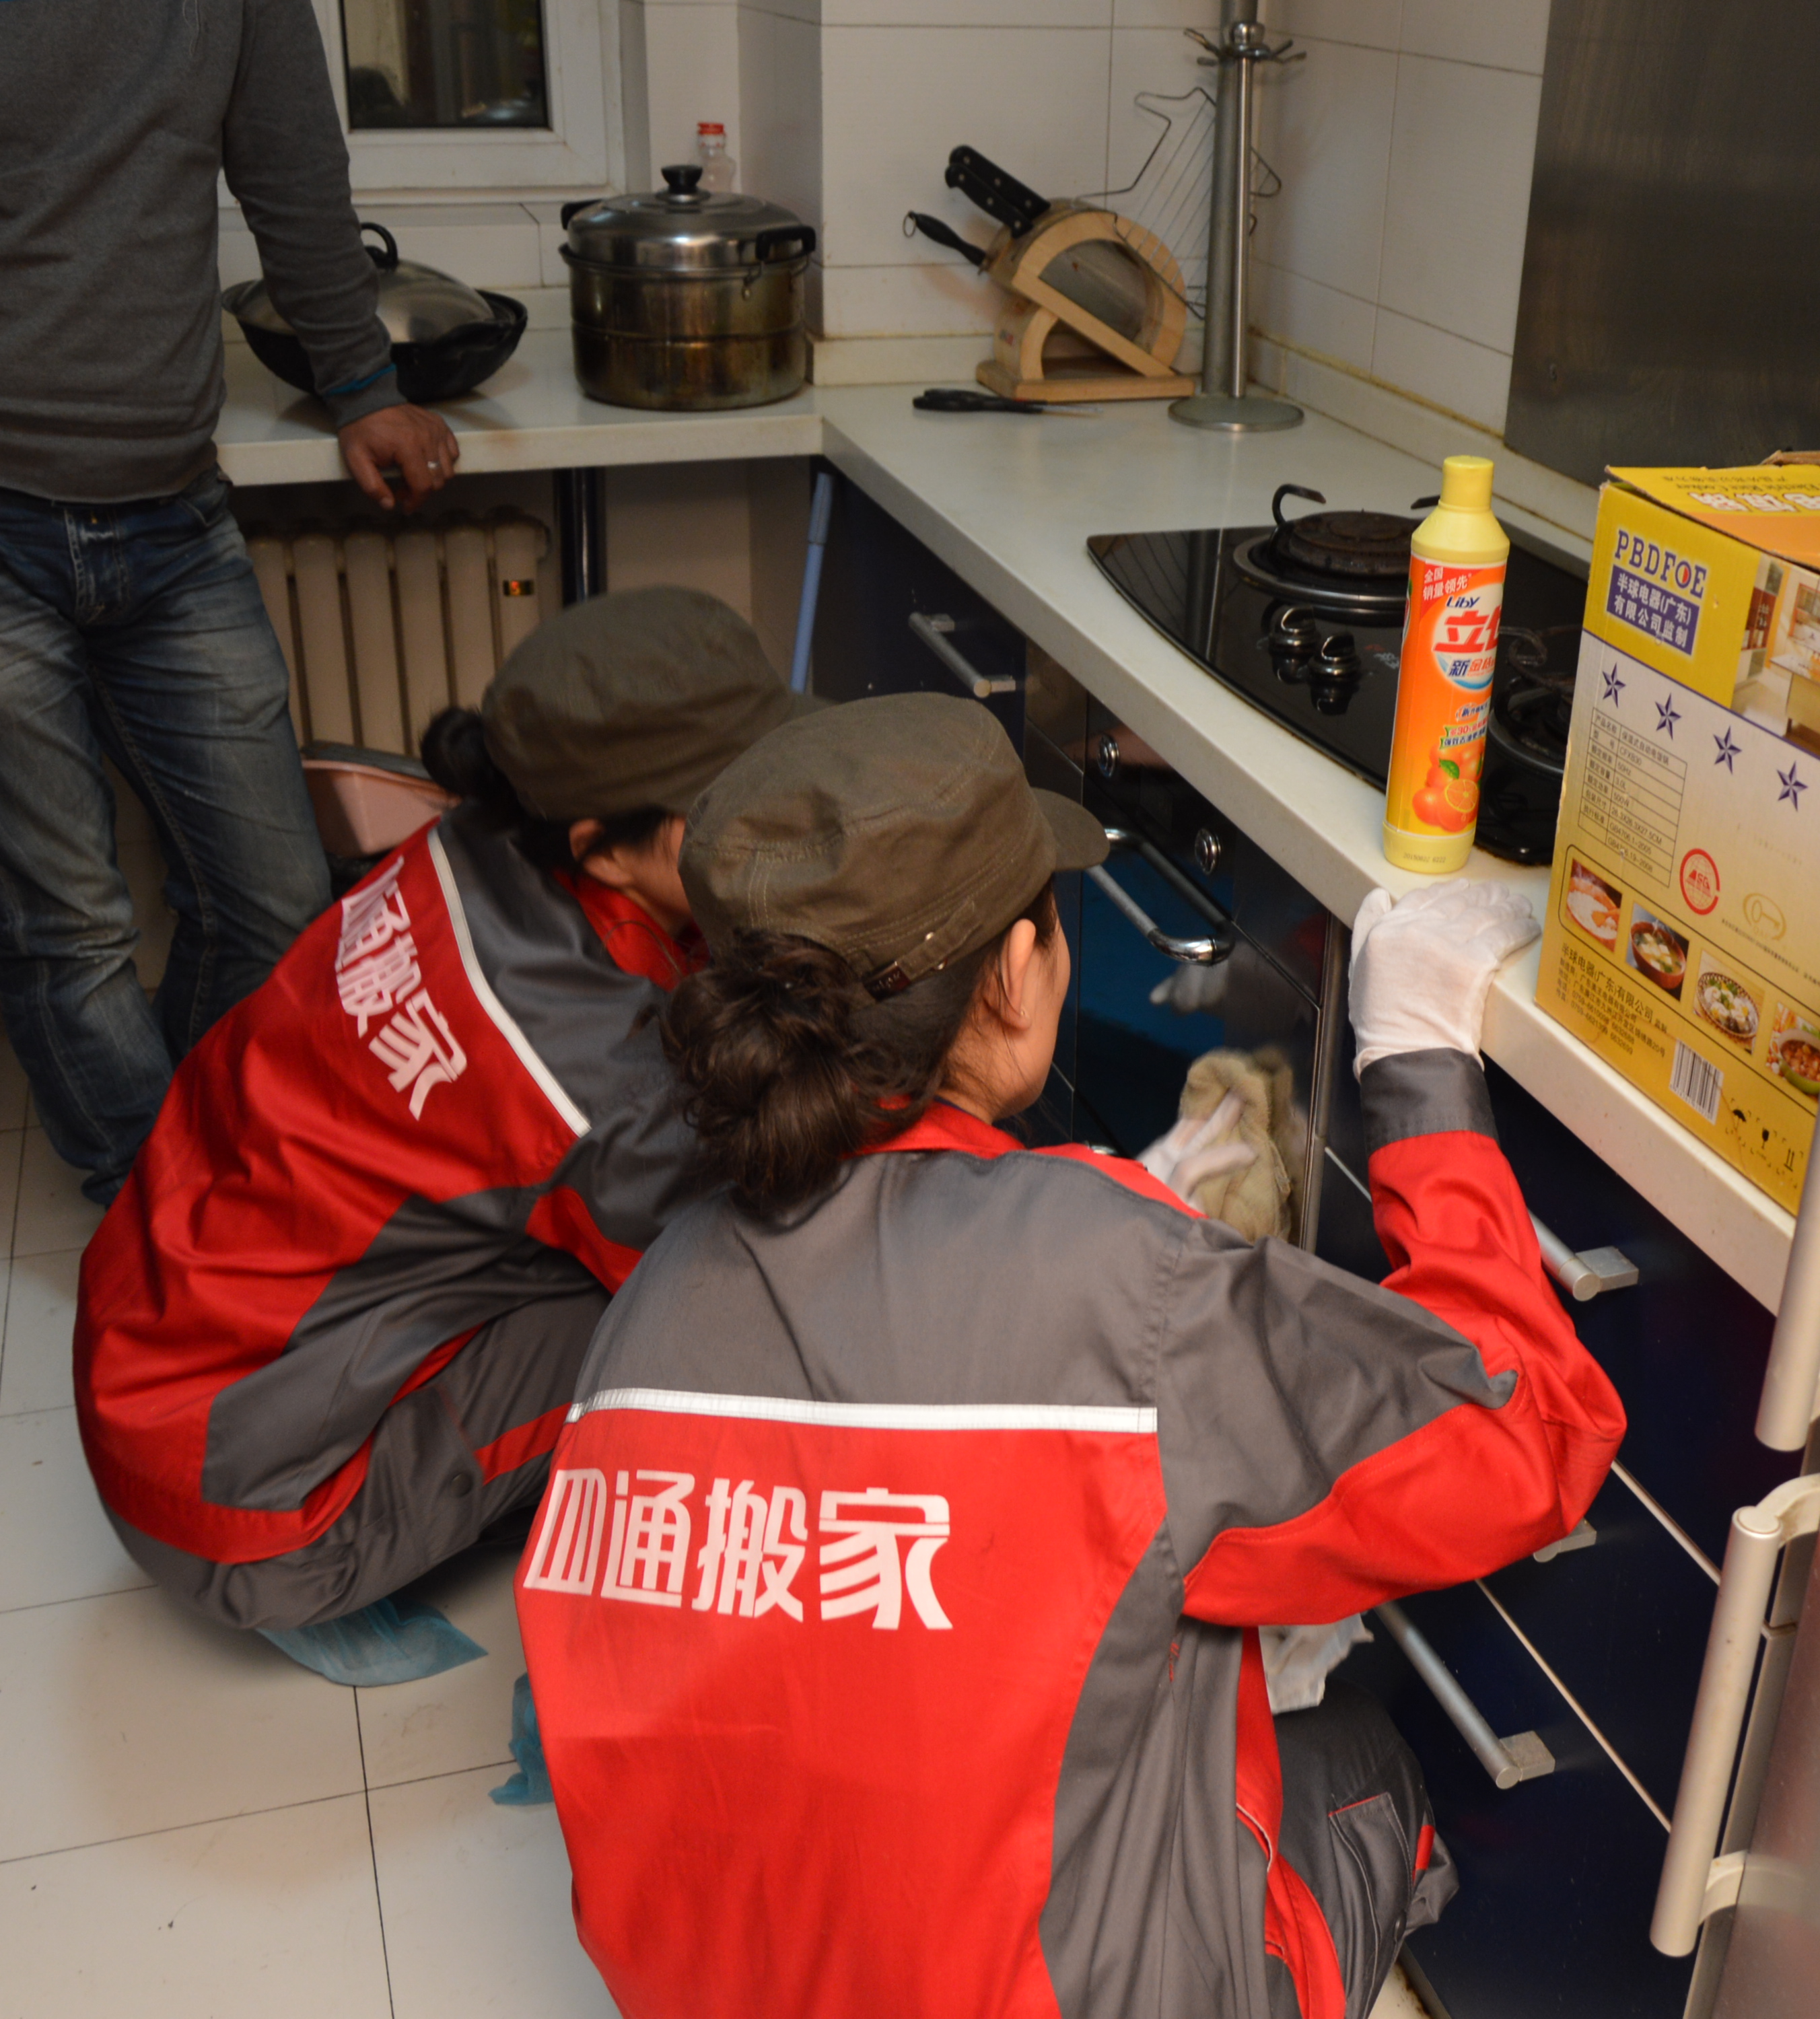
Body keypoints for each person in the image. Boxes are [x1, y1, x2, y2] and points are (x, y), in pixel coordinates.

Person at [515, 694, 1627, 2019]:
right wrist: (1418, 1065)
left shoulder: (653, 1298)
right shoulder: (1117, 1287)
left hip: (704, 1986)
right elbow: (1526, 1431)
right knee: (1363, 1765)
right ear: (1013, 975)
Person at [0, 0, 464, 1200]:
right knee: (66, 931)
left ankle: (204, 1175)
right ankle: (157, 1218)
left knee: (273, 902)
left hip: (168, 497)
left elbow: (292, 164)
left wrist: (361, 384)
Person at [74, 588, 808, 1682]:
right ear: (603, 853)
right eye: (727, 808)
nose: (772, 820)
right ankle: (363, 1538)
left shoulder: (472, 843)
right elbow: (749, 1279)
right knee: (693, 1313)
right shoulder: (587, 1081)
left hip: (153, 1353)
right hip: (251, 1509)